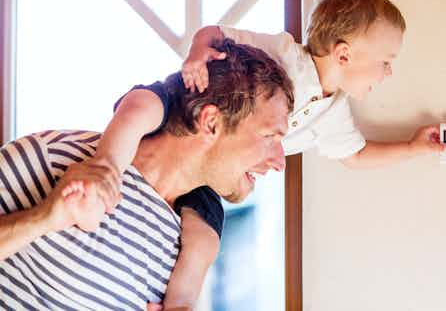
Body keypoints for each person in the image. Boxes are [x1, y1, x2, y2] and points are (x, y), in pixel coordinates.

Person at [83, 0, 446, 307]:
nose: (389, 72)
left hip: (212, 175)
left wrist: (413, 148)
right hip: (178, 111)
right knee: (140, 107)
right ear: (343, 55)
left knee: (204, 242)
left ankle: (178, 304)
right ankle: (103, 171)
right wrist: (196, 54)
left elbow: (356, 154)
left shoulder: (334, 109)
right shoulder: (283, 54)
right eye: (385, 61)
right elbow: (214, 32)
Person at [0, 40, 294, 310]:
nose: (280, 161)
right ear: (211, 123)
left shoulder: (187, 245)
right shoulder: (53, 155)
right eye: (270, 136)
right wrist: (44, 218)